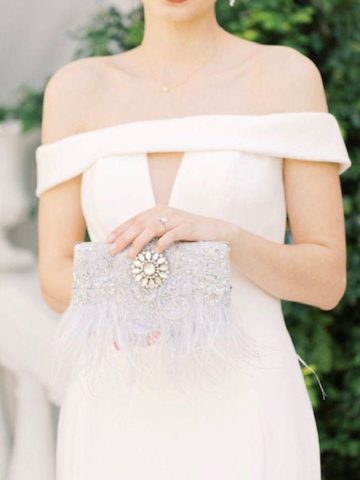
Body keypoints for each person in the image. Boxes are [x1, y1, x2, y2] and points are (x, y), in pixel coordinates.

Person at [35, 0, 352, 478]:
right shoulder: (76, 89)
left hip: (249, 402)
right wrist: (130, 300)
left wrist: (223, 236)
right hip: (115, 408)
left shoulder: (286, 76)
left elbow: (326, 280)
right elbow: (54, 275)